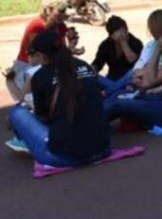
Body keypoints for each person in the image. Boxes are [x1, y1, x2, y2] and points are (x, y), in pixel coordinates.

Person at [8, 30, 111, 167]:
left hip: (65, 156)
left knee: (17, 113)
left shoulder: (40, 76)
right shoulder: (84, 65)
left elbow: (43, 116)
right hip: (103, 148)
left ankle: (27, 142)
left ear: (41, 55)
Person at [5, 0, 81, 102]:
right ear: (49, 10)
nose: (64, 14)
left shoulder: (59, 24)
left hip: (47, 62)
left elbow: (60, 50)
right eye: (60, 11)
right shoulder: (36, 26)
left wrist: (71, 46)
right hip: (29, 65)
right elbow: (34, 57)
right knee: (33, 90)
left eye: (64, 11)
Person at [91, 16, 143, 84]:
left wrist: (123, 43)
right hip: (113, 78)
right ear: (111, 35)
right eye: (118, 32)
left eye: (124, 31)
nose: (123, 34)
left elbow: (134, 61)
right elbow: (98, 63)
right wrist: (92, 69)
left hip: (131, 78)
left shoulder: (135, 42)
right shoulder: (105, 45)